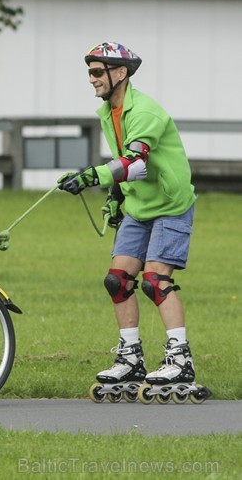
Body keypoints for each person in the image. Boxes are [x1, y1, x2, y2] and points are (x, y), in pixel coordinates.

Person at [58, 42, 198, 390]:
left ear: (119, 73)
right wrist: (115, 194)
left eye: (96, 71)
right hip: (139, 206)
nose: (91, 79)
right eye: (89, 72)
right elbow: (128, 164)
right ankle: (131, 358)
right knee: (117, 281)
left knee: (155, 281)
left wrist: (93, 176)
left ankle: (180, 360)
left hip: (170, 205)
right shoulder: (109, 112)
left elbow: (136, 160)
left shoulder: (145, 112)